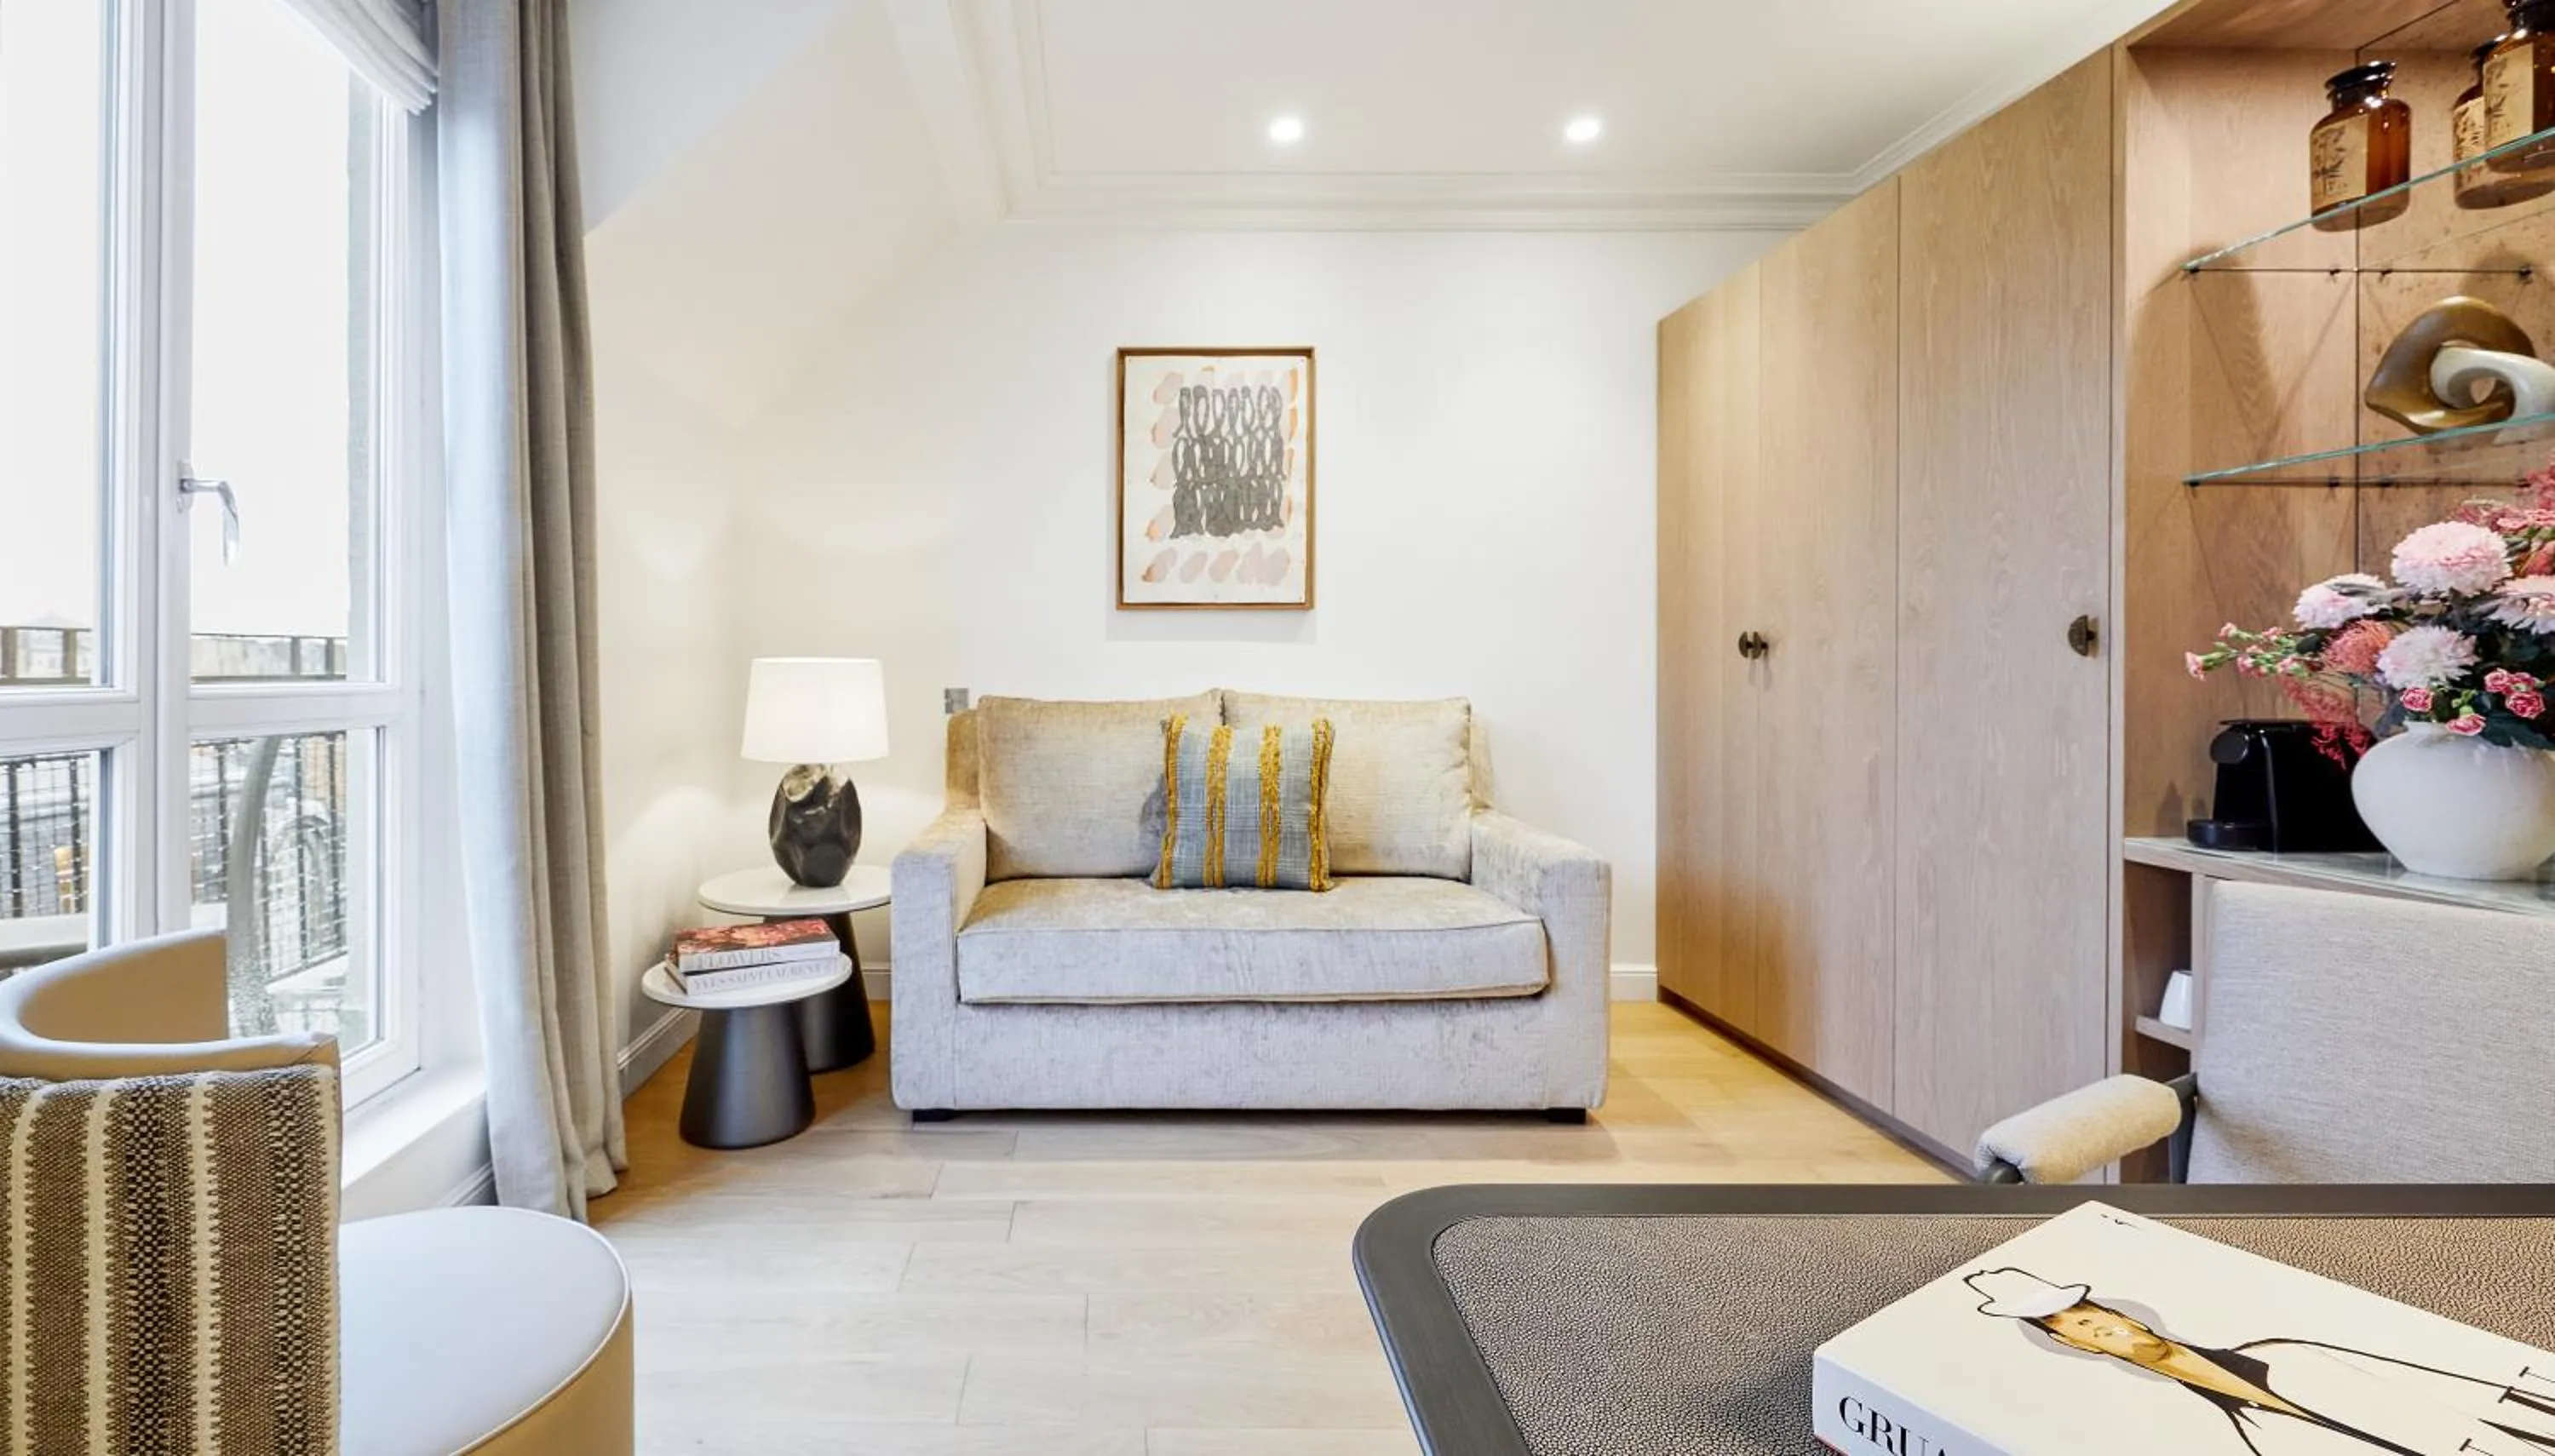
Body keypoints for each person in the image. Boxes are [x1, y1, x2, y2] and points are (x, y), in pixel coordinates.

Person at [1966, 1268, 2555, 1456]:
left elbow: (2493, 1388)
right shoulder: (2251, 1434)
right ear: (2077, 1346)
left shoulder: (2285, 1354)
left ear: (2128, 1316)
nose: (2090, 1323)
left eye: (2084, 1309)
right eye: (2065, 1325)